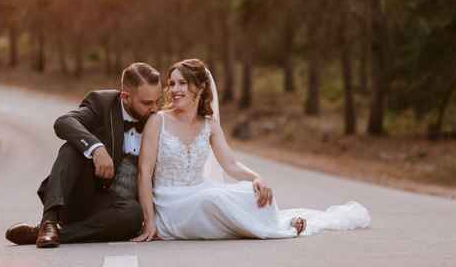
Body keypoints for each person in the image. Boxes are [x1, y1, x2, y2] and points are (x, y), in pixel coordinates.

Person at [132, 59, 370, 241]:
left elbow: (231, 165)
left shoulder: (209, 125)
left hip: (200, 191)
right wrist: (149, 221)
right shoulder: (158, 121)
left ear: (200, 87)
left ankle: (276, 222)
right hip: (170, 203)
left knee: (249, 192)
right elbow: (144, 172)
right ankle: (279, 229)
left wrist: (257, 178)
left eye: (182, 83)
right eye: (171, 83)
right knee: (212, 199)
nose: (174, 89)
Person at [5, 62, 162, 248]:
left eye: (157, 101)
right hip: (82, 196)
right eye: (147, 103)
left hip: (116, 211)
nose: (154, 108)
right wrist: (96, 148)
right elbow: (64, 122)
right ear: (125, 97)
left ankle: (50, 234)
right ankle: (49, 222)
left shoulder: (158, 120)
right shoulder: (103, 103)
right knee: (72, 148)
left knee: (134, 215)